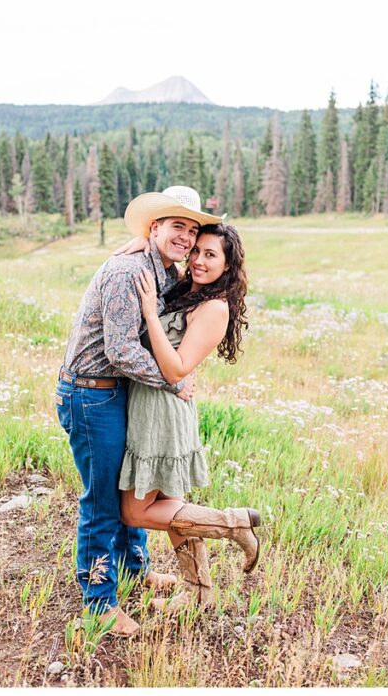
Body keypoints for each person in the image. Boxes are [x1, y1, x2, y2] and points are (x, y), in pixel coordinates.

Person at [56, 185, 223, 636]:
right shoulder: (129, 271)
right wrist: (174, 380)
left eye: (192, 230)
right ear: (154, 227)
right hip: (92, 394)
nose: (186, 238)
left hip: (120, 391)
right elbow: (122, 349)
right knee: (104, 499)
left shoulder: (163, 270)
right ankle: (99, 603)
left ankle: (134, 569)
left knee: (133, 479)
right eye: (176, 226)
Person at [117, 221, 259, 614]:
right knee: (174, 504)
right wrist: (141, 242)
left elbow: (177, 368)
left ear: (228, 265)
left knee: (134, 511)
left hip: (161, 410)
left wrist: (148, 313)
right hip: (155, 403)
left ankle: (233, 524)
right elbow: (162, 253)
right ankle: (199, 591)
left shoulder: (215, 308)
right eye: (197, 250)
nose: (197, 259)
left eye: (211, 255)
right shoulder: (187, 289)